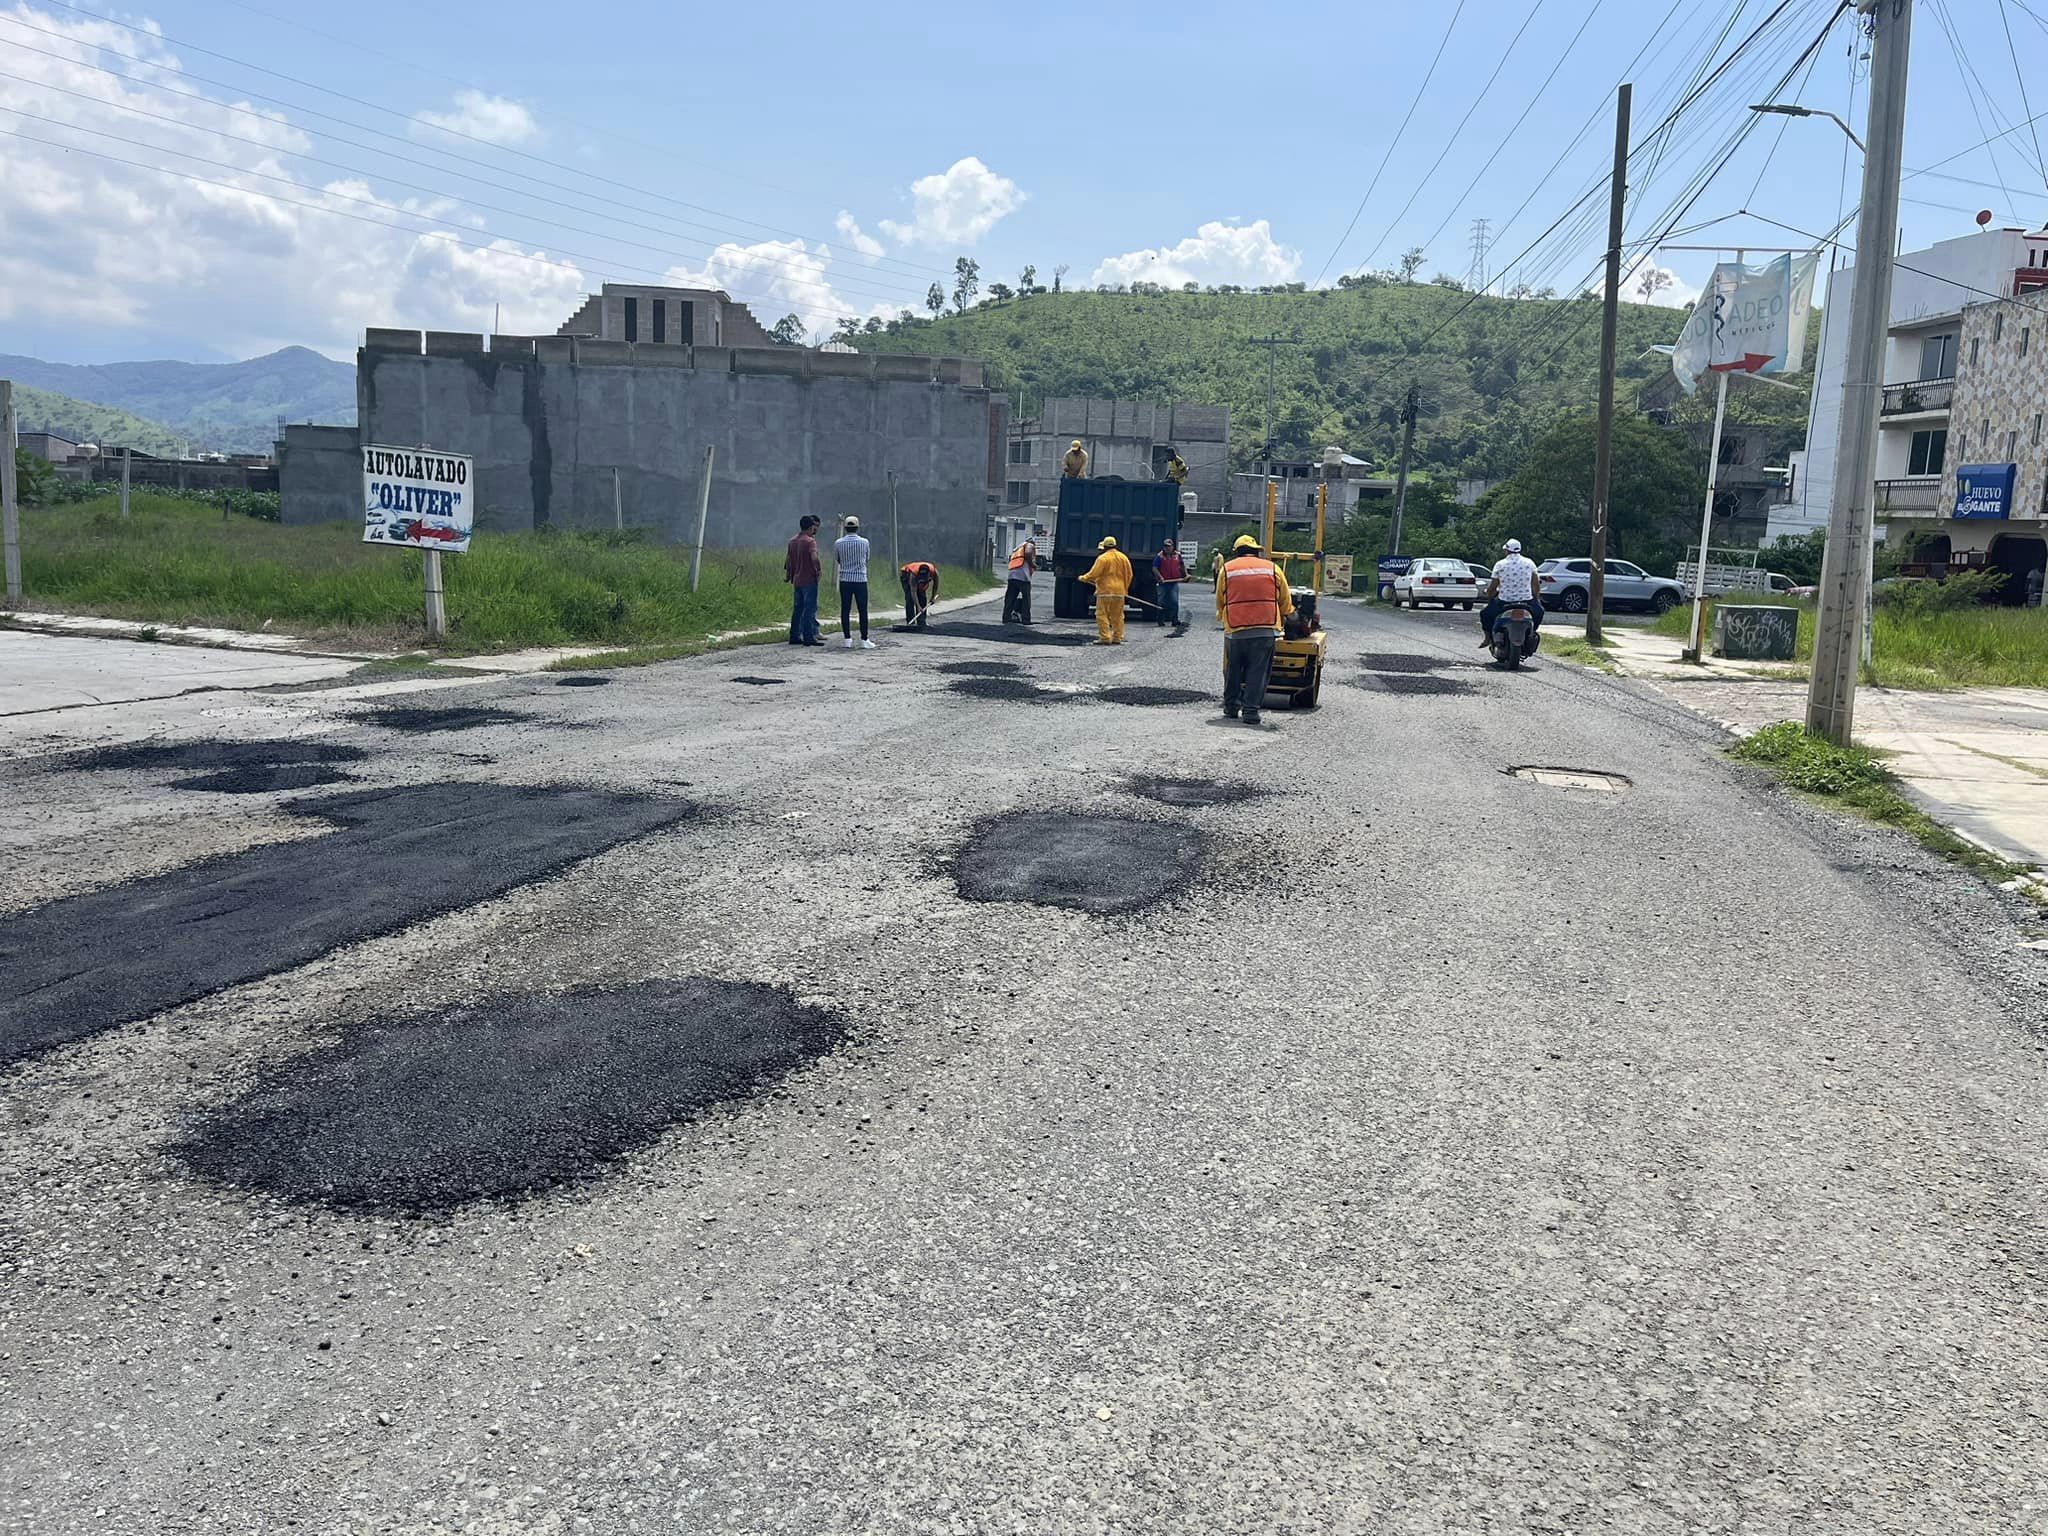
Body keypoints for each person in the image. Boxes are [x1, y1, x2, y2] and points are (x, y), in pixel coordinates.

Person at [1216, 534, 1293, 726]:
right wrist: (1287, 614)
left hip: (1236, 629)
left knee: (1233, 669)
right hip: (1265, 629)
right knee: (1257, 672)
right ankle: (1250, 713)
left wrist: (1222, 616)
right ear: (1257, 551)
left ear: (1237, 551)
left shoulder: (1227, 569)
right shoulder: (1272, 568)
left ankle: (1231, 707)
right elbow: (1285, 599)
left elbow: (1220, 600)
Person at [1478, 538, 1543, 647]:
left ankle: (1487, 638)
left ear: (1506, 551)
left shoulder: (1500, 564)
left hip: (1504, 601)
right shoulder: (1529, 563)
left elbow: (1493, 587)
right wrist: (1536, 598)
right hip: (1526, 601)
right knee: (1539, 612)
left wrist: (1489, 594)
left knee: (1485, 614)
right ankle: (1532, 632)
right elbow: (1535, 585)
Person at [1079, 535, 1134, 645]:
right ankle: (1117, 637)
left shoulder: (1102, 558)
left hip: (1105, 591)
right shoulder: (1124, 558)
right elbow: (1129, 575)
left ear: (1104, 546)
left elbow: (1094, 574)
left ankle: (1105, 638)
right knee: (1118, 616)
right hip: (1119, 592)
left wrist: (1083, 578)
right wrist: (1124, 588)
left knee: (1101, 614)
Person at [835, 515, 875, 649]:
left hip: (845, 580)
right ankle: (864, 639)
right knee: (862, 610)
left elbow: (838, 560)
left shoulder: (838, 543)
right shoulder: (865, 542)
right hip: (860, 579)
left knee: (845, 609)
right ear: (857, 527)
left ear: (845, 528)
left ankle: (847, 639)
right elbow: (867, 558)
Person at [783, 514, 824, 646]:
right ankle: (809, 637)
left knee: (798, 609)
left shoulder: (792, 541)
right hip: (809, 579)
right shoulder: (810, 541)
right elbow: (814, 557)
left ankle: (794, 635)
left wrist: (789, 575)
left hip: (797, 579)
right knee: (809, 609)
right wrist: (818, 570)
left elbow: (788, 561)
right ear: (811, 527)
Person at [1152, 539, 1189, 629]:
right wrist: (1160, 577)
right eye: (1165, 546)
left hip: (1174, 582)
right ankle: (1160, 620)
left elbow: (1182, 565)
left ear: (1172, 547)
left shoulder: (1177, 555)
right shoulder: (1160, 556)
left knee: (1174, 602)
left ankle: (1174, 621)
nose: (1167, 548)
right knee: (1161, 602)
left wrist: (1186, 575)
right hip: (1163, 583)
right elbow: (1154, 568)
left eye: (1169, 546)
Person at [1003, 537, 1038, 624]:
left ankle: (1006, 617)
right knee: (1026, 598)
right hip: (1023, 575)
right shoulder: (1029, 545)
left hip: (1012, 575)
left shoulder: (1018, 548)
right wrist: (1032, 564)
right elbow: (1028, 552)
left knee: (1010, 598)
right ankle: (1026, 619)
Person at [899, 560, 940, 629]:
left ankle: (921, 622)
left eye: (924, 578)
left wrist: (933, 597)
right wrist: (918, 606)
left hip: (917, 576)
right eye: (921, 577)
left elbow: (935, 585)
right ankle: (911, 622)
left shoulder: (934, 572)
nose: (922, 579)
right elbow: (913, 592)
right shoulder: (914, 574)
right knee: (910, 598)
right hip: (906, 575)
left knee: (922, 598)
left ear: (929, 574)